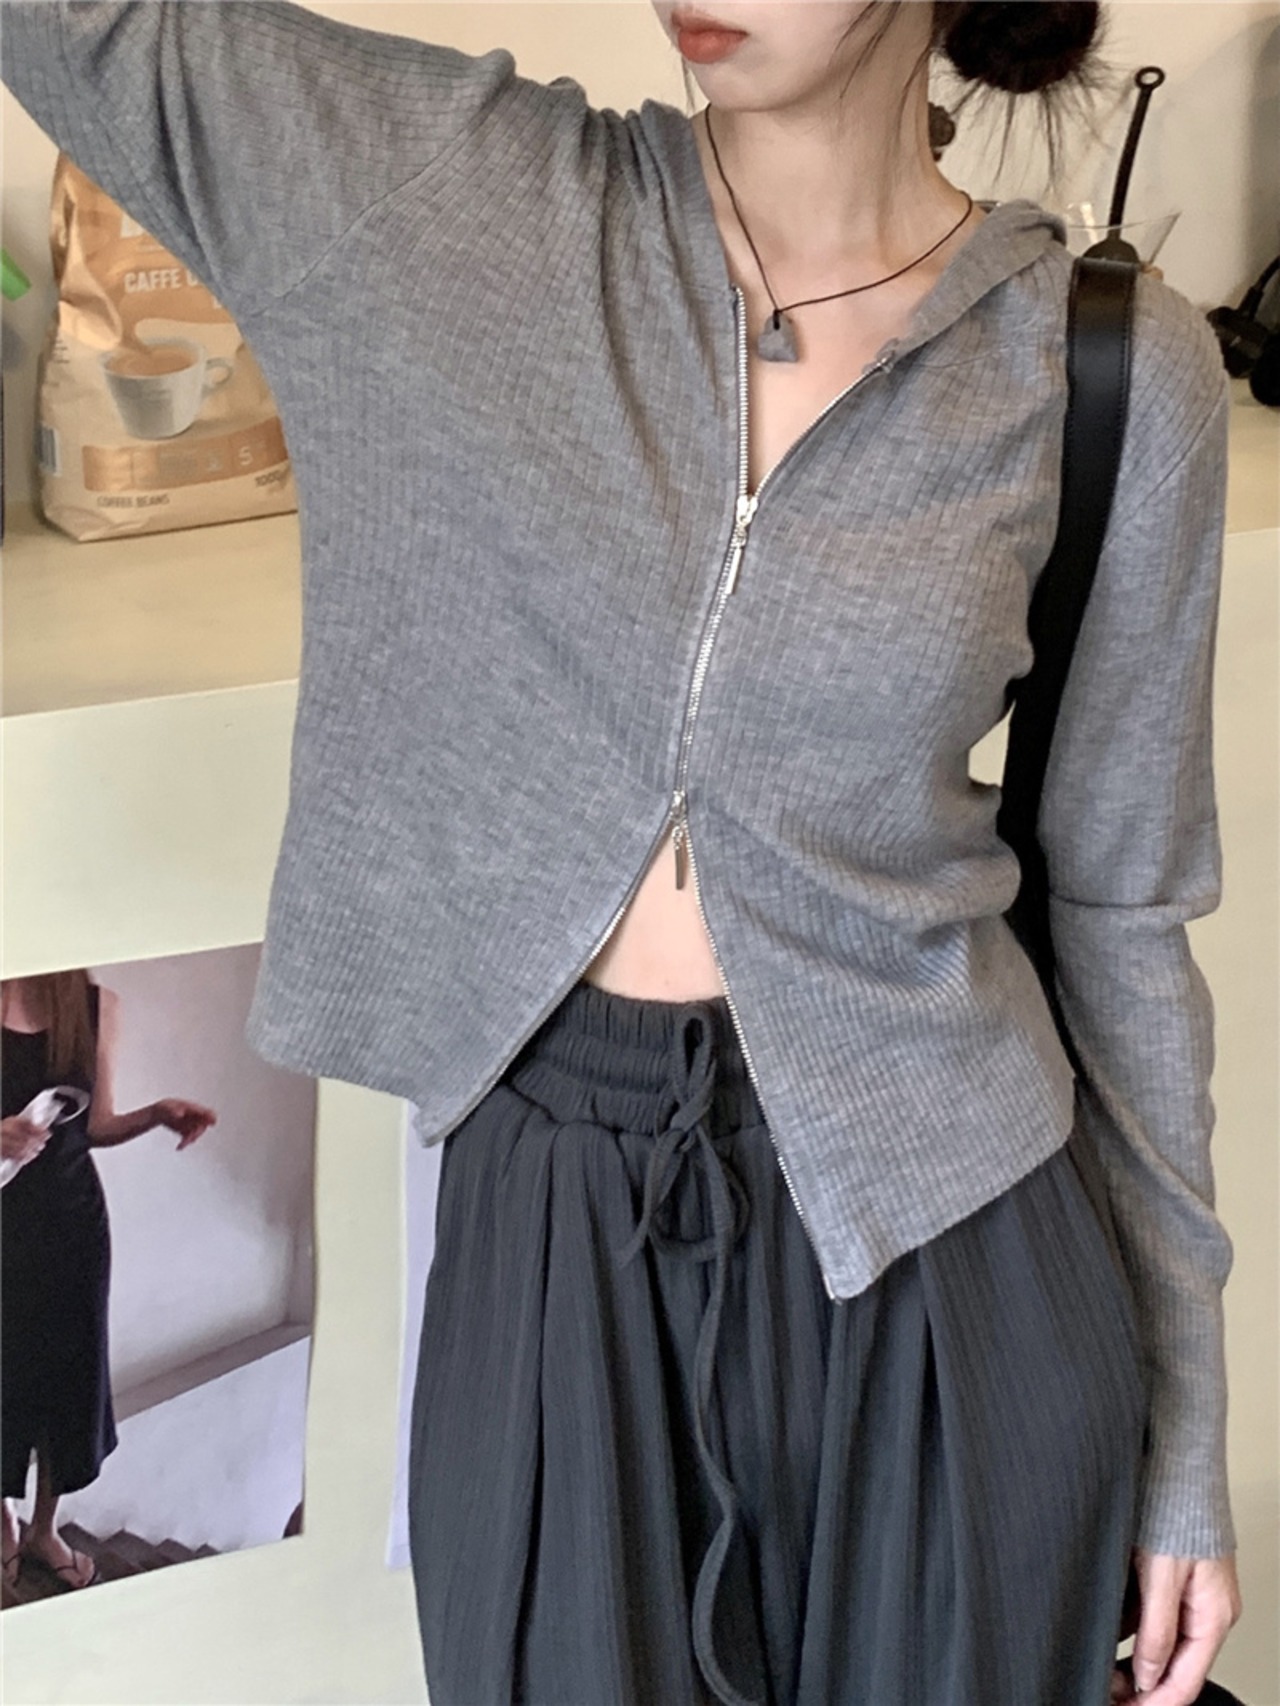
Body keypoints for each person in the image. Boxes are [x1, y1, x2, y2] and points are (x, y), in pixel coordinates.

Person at [0, 2, 1243, 1700]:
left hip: (953, 1242)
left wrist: (1187, 1439)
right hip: (552, 1219)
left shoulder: (1104, 363)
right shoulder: (465, 200)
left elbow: (1121, 911)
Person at [1, 973, 215, 1595]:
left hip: (73, 1224)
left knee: (70, 1378)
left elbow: (92, 1126)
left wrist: (154, 1115)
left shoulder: (96, 1006)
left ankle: (44, 1529)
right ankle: (4, 1523)